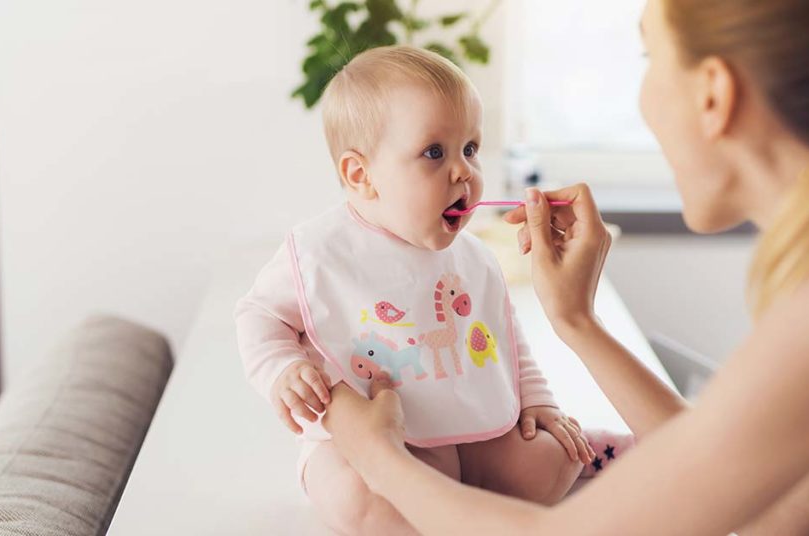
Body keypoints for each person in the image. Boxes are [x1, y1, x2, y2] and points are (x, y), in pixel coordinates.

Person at [321, 1, 809, 534]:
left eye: (648, 56)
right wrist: (576, 319)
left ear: (714, 93)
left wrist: (377, 455)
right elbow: (752, 507)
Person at [234, 46, 635, 535]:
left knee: (545, 466)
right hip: (360, 438)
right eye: (434, 152)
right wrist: (283, 369)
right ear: (361, 176)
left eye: (470, 148)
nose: (464, 170)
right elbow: (258, 316)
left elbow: (501, 335)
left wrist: (538, 401)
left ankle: (589, 451)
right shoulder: (319, 251)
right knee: (359, 502)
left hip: (464, 428)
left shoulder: (471, 254)